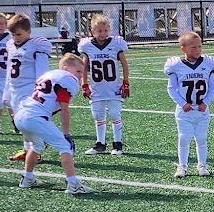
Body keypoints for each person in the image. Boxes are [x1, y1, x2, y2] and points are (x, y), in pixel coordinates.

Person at [14, 52, 89, 194]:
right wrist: (66, 134)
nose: (80, 75)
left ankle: (27, 178)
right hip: (34, 116)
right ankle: (73, 185)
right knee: (65, 146)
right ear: (66, 69)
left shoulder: (49, 75)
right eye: (78, 71)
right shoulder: (66, 79)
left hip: (20, 114)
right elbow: (64, 110)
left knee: (37, 145)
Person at [163, 31, 214, 176]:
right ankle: (182, 166)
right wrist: (182, 103)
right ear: (183, 49)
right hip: (184, 111)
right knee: (184, 137)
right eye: (194, 47)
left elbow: (213, 86)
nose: (198, 50)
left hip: (201, 110)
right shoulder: (176, 65)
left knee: (201, 138)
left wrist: (206, 102)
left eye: (200, 46)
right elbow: (171, 88)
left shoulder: (207, 64)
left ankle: (202, 165)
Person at [78, 12, 131, 154]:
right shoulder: (87, 46)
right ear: (92, 31)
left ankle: (117, 143)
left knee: (114, 114)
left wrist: (125, 83)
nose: (103, 33)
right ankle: (100, 143)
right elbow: (83, 67)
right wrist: (84, 84)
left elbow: (125, 65)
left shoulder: (115, 44)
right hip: (96, 88)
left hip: (113, 87)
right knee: (98, 115)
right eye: (99, 31)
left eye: (106, 30)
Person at [4, 13, 52, 162]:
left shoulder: (36, 45)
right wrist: (6, 92)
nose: (15, 37)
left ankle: (36, 149)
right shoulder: (10, 45)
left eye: (19, 34)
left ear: (29, 31)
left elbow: (42, 71)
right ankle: (27, 150)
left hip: (29, 88)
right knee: (21, 122)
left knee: (27, 120)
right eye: (12, 34)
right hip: (14, 88)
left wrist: (39, 90)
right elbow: (9, 69)